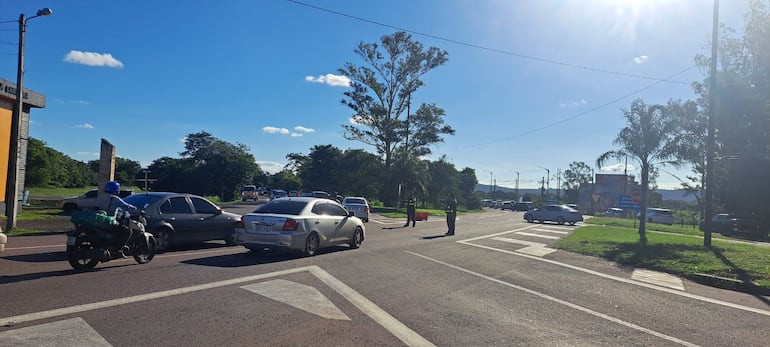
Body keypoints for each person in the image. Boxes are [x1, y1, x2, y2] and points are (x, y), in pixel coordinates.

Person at [85, 181, 139, 257]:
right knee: (128, 231)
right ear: (116, 189)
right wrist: (137, 209)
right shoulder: (115, 199)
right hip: (109, 222)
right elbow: (126, 206)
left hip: (98, 221)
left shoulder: (100, 197)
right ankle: (118, 249)